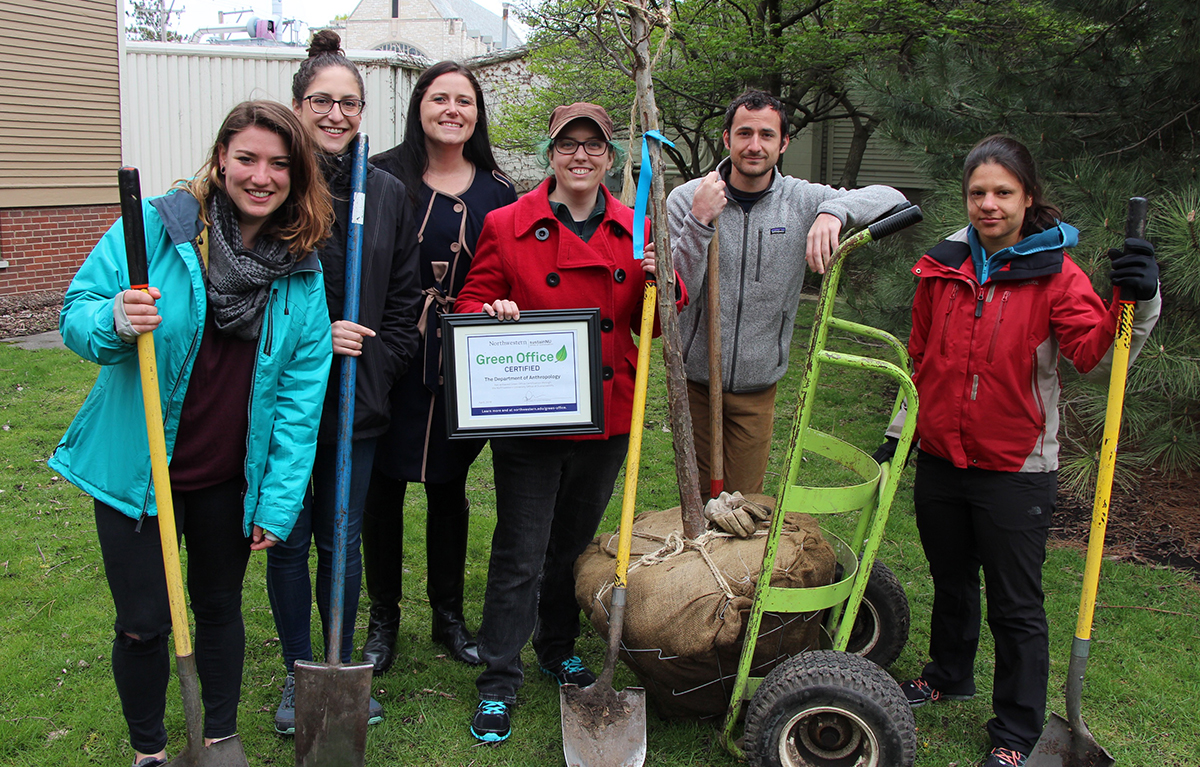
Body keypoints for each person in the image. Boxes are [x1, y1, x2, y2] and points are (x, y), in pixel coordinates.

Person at [48, 100, 333, 767]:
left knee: (218, 608)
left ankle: (217, 738)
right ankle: (149, 751)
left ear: (297, 176)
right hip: (138, 470)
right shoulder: (154, 228)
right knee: (145, 622)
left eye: (279, 164)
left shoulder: (301, 268)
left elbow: (299, 399)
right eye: (247, 158)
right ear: (220, 158)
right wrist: (116, 318)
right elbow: (75, 314)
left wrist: (279, 500)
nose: (261, 176)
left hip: (227, 477)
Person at [881, 135, 1160, 767]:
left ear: (1027, 197)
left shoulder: (1056, 273)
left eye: (1002, 192)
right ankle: (948, 673)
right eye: (977, 192)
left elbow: (1095, 354)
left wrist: (1140, 303)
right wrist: (901, 431)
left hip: (1016, 466)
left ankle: (1016, 730)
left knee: (1016, 602)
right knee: (951, 581)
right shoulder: (941, 265)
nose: (988, 204)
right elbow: (921, 356)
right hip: (941, 458)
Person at [454, 102, 686, 743]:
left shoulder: (637, 226)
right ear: (550, 153)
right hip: (532, 420)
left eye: (593, 146)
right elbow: (470, 300)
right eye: (567, 145)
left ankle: (555, 647)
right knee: (519, 553)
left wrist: (660, 284)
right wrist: (492, 309)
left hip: (609, 418)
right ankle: (498, 679)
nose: (580, 156)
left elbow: (660, 316)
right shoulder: (507, 224)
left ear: (610, 158)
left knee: (570, 547)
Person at [265, 30, 422, 735]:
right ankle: (302, 673)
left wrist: (376, 368)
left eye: (348, 102)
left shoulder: (386, 191)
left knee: (343, 534)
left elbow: (403, 299)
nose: (335, 114)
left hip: (356, 399)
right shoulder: (273, 184)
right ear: (298, 106)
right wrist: (315, 341)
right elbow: (246, 293)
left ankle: (341, 661)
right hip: (283, 401)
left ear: (364, 110)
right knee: (291, 537)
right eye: (321, 101)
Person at [667, 89, 907, 504]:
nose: (754, 145)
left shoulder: (803, 200)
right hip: (695, 381)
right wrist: (702, 221)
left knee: (743, 504)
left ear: (783, 143)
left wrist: (835, 211)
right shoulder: (688, 199)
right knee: (696, 502)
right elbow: (674, 293)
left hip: (757, 385)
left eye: (766, 135)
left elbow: (894, 199)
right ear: (727, 139)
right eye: (744, 133)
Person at [359, 61, 517, 673]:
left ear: (477, 113)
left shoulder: (499, 192)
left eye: (465, 101)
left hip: (463, 361)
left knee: (450, 488)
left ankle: (448, 617)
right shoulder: (382, 178)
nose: (452, 110)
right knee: (383, 488)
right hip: (393, 349)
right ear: (419, 105)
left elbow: (511, 274)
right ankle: (383, 621)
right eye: (439, 98)